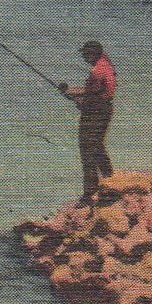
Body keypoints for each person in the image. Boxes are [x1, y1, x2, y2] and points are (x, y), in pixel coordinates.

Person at [58, 40, 116, 200]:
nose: (84, 58)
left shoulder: (98, 71)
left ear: (92, 54)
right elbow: (95, 92)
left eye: (85, 55)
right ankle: (110, 179)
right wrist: (74, 94)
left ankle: (90, 192)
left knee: (87, 151)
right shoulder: (106, 64)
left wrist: (73, 95)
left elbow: (90, 94)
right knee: (97, 146)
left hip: (95, 112)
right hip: (103, 110)